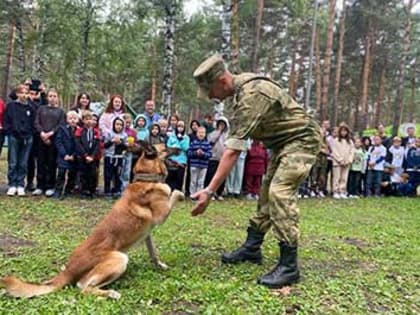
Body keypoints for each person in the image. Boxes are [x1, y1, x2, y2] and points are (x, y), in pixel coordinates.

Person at [191, 55, 321, 289]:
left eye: (209, 90)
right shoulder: (242, 92)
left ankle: (289, 266)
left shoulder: (253, 95)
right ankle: (252, 248)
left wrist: (209, 191)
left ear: (221, 81)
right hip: (283, 143)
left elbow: (232, 151)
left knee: (280, 192)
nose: (210, 96)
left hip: (302, 140)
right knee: (266, 192)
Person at [32, 89, 65, 197]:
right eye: (50, 96)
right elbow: (36, 122)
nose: (52, 98)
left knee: (51, 163)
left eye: (54, 96)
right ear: (47, 97)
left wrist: (50, 133)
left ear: (57, 98)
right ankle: (40, 186)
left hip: (53, 140)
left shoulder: (60, 111)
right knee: (41, 162)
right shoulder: (41, 109)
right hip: (41, 139)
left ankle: (50, 185)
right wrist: (42, 133)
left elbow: (60, 125)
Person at [3, 84, 35, 196]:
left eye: (26, 93)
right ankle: (12, 184)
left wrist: (28, 134)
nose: (24, 95)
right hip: (14, 137)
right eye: (22, 93)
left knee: (23, 162)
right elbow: (6, 121)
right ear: (17, 94)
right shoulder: (11, 106)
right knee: (13, 162)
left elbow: (32, 123)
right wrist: (10, 131)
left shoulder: (30, 108)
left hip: (27, 138)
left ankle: (20, 184)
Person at [53, 111, 79, 199]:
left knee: (72, 174)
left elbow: (80, 144)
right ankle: (58, 190)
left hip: (74, 156)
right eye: (70, 118)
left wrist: (74, 155)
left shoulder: (79, 131)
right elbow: (58, 142)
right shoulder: (62, 129)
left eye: (75, 119)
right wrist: (64, 154)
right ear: (67, 120)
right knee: (61, 173)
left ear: (78, 120)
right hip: (63, 156)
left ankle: (68, 190)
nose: (73, 121)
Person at [75, 111, 101, 198]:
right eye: (86, 119)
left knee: (93, 173)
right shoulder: (79, 131)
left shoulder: (96, 132)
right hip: (83, 157)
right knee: (83, 173)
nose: (89, 121)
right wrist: (85, 155)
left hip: (92, 157)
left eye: (91, 119)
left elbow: (97, 145)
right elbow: (78, 144)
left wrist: (92, 156)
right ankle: (84, 190)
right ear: (82, 120)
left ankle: (92, 190)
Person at [204, 116, 230, 200]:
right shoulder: (213, 133)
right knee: (211, 175)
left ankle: (219, 193)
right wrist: (218, 132)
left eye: (223, 124)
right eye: (220, 124)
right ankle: (211, 192)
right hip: (213, 157)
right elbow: (210, 141)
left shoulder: (227, 135)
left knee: (222, 176)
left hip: (223, 158)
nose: (221, 126)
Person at [103, 117, 127, 198]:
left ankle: (117, 190)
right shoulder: (109, 133)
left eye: (120, 125)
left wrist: (120, 143)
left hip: (119, 157)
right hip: (109, 157)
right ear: (113, 125)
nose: (119, 126)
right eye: (117, 124)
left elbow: (126, 147)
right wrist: (112, 141)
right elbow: (104, 145)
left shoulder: (124, 135)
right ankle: (107, 190)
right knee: (108, 175)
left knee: (118, 175)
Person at [330, 124, 354, 199]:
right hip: (337, 162)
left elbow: (352, 151)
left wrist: (348, 160)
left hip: (346, 162)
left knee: (344, 178)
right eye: (342, 131)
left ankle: (342, 191)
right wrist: (340, 160)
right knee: (337, 177)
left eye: (345, 131)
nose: (343, 133)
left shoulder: (350, 142)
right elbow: (334, 151)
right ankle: (336, 191)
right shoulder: (335, 140)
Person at [165, 120, 190, 191]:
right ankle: (169, 192)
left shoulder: (186, 138)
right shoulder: (172, 136)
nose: (180, 128)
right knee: (170, 178)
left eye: (182, 126)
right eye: (179, 126)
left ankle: (178, 193)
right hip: (172, 160)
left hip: (182, 161)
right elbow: (169, 146)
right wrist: (177, 147)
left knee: (179, 178)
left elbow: (186, 148)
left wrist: (180, 140)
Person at [188, 126, 212, 196]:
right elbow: (189, 153)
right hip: (194, 165)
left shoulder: (207, 144)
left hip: (203, 165)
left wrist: (203, 154)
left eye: (203, 133)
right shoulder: (193, 143)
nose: (201, 134)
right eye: (199, 133)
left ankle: (199, 195)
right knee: (193, 181)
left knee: (201, 182)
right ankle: (192, 194)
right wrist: (196, 153)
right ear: (196, 134)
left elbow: (210, 154)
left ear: (205, 134)